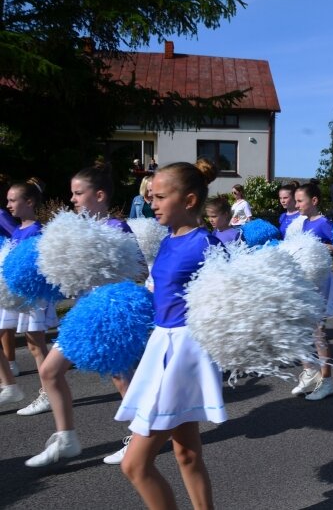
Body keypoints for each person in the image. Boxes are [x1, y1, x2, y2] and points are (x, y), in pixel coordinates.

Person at [116, 160, 226, 509]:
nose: (152, 203)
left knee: (134, 464)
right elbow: (159, 293)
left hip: (184, 354)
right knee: (187, 454)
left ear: (189, 200)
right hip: (161, 345)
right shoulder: (167, 240)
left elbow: (229, 304)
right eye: (151, 196)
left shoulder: (206, 245)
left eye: (160, 196)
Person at [24, 163, 138, 468]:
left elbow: (136, 274)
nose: (72, 199)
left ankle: (140, 437)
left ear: (99, 195)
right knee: (49, 371)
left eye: (78, 193)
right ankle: (67, 439)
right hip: (83, 313)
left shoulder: (117, 228)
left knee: (122, 379)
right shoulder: (73, 231)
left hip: (111, 314)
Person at [2, 178, 57, 416]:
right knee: (33, 343)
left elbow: (41, 266)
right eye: (8, 200)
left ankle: (48, 393)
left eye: (13, 200)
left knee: (36, 344)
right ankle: (9, 385)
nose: (9, 205)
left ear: (30, 202)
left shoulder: (36, 230)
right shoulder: (18, 230)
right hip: (18, 294)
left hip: (34, 296)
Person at [289, 181, 333, 401]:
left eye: (300, 200)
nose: (296, 204)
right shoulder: (303, 223)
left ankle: (327, 381)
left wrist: (323, 247)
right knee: (298, 327)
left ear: (314, 201)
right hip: (306, 281)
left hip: (321, 282)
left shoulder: (323, 223)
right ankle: (310, 371)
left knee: (318, 331)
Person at [0, 174, 20, 378]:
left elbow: (16, 234)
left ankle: (11, 361)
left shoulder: (0, 214)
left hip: (3, 267)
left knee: (4, 319)